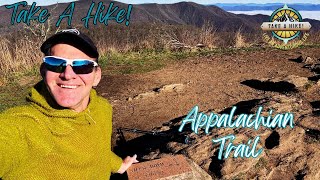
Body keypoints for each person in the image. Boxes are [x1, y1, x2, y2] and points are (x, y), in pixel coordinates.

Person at [0, 28, 138, 179]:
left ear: (97, 76)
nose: (67, 74)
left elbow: (97, 150)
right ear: (43, 71)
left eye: (82, 66)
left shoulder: (103, 108)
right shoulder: (25, 127)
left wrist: (119, 165)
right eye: (55, 63)